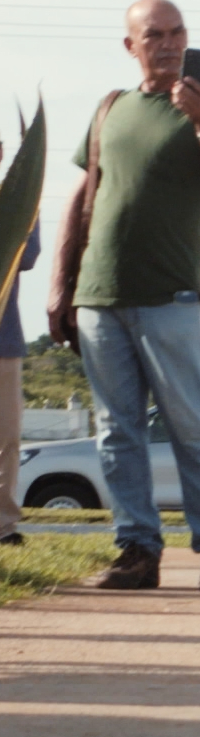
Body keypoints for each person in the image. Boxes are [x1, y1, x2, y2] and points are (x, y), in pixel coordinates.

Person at [48, 0, 200, 592]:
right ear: (131, 46)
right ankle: (136, 550)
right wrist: (62, 285)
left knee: (193, 428)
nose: (169, 44)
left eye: (177, 32)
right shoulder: (110, 108)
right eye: (155, 35)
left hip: (171, 297)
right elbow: (83, 196)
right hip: (99, 296)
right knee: (117, 432)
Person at [0, 230, 34, 546]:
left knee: (7, 437)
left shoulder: (18, 201)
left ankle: (3, 526)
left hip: (4, 340)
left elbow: (27, 254)